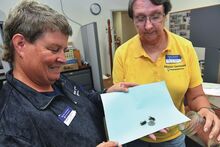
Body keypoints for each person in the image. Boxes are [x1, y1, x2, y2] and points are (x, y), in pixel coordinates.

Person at [0, 1, 137, 146]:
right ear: (20, 44)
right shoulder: (11, 124)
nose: (63, 60)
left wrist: (108, 95)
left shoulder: (56, 79)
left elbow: (87, 99)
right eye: (54, 49)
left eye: (64, 50)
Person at [112, 0, 220, 146]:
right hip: (136, 137)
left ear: (165, 15)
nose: (148, 26)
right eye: (140, 18)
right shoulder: (122, 54)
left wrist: (205, 109)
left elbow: (196, 96)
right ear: (133, 19)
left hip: (173, 138)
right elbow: (120, 101)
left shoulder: (185, 48)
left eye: (155, 16)